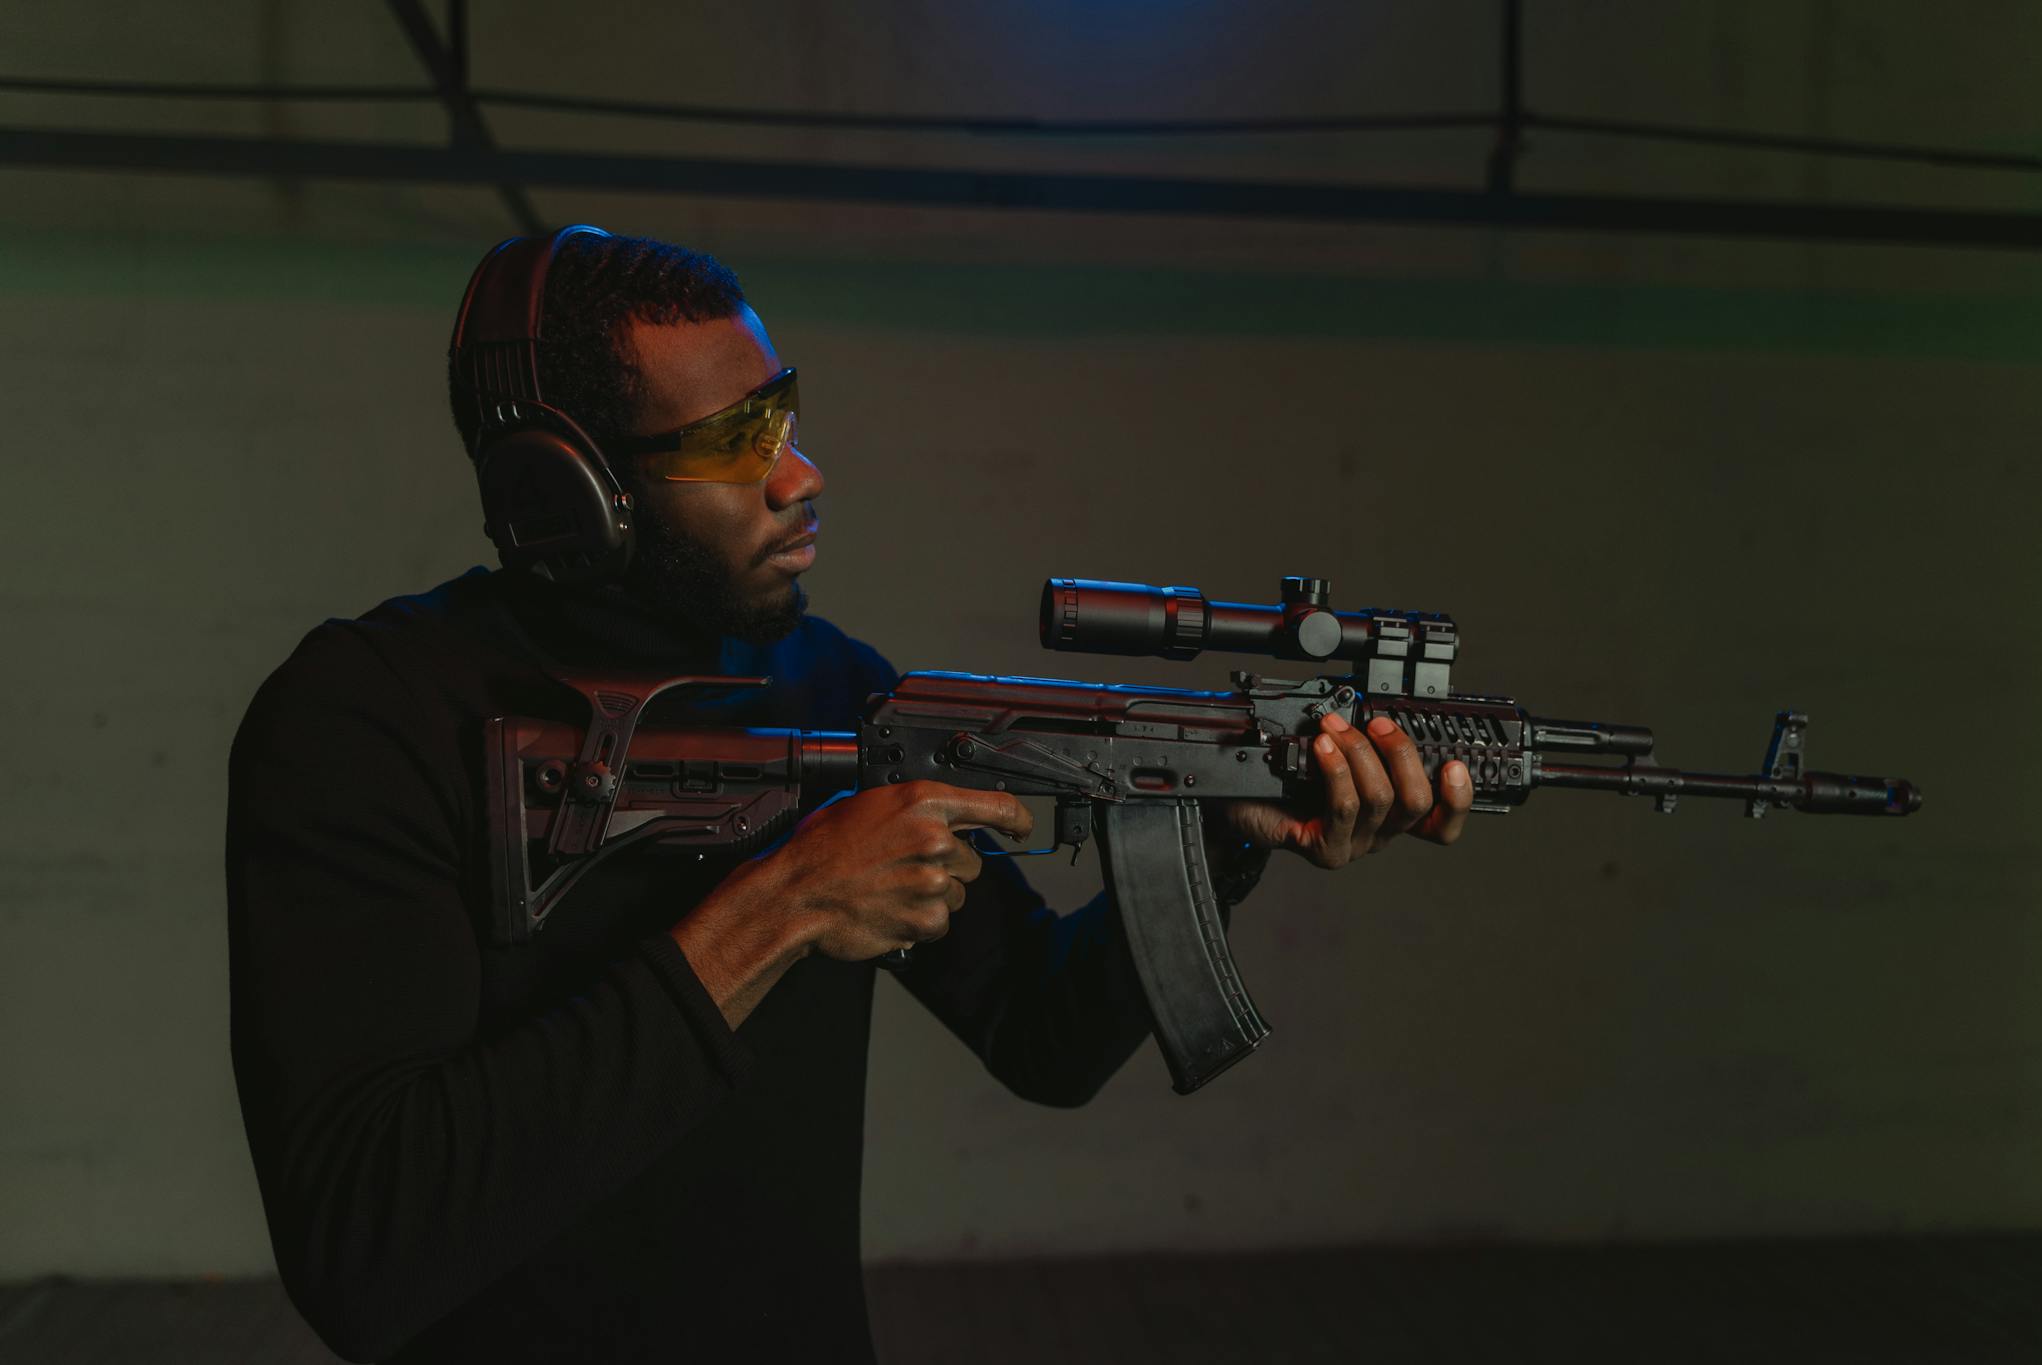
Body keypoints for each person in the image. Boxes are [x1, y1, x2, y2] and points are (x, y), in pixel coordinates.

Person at [226, 229, 1473, 1364]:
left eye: (784, 415)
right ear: (570, 493)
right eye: (731, 445)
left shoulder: (834, 687)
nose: (801, 475)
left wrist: (1218, 833)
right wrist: (776, 910)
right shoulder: (368, 717)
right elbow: (361, 1252)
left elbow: (1042, 1037)